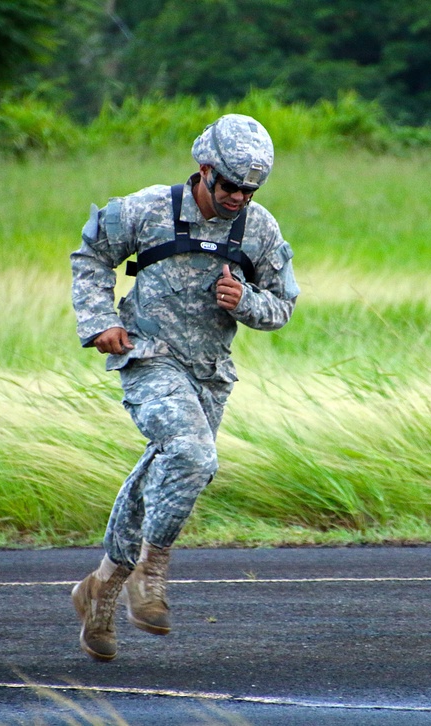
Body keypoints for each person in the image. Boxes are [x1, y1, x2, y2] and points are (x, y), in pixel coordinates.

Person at [68, 114, 300, 661]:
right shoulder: (148, 209)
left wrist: (244, 303)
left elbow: (282, 306)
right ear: (204, 171)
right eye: (230, 187)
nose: (239, 198)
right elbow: (91, 255)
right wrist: (100, 322)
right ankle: (150, 575)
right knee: (193, 455)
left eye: (250, 189)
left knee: (164, 470)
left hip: (209, 374)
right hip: (148, 357)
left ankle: (100, 590)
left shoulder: (258, 230)